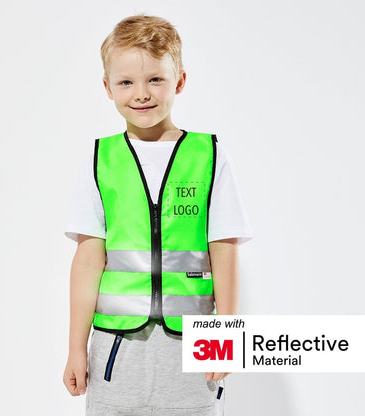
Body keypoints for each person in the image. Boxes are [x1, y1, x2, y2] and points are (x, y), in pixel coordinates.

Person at [63, 14, 253, 416]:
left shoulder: (209, 157)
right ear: (107, 87)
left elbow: (225, 250)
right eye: (126, 82)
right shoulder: (101, 160)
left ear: (180, 81)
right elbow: (87, 261)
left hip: (191, 348)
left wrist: (227, 340)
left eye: (156, 79)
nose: (141, 93)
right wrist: (75, 349)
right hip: (115, 351)